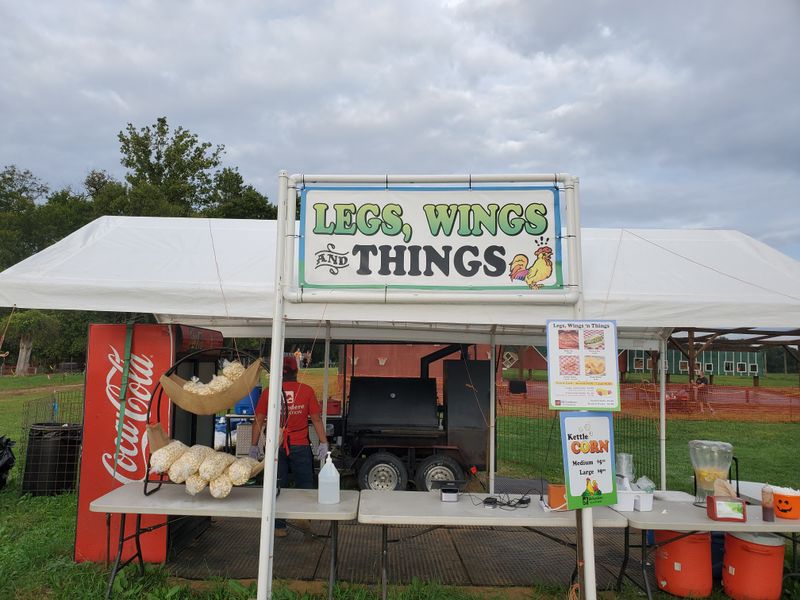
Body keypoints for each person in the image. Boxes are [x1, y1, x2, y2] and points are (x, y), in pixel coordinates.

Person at [250, 355, 329, 536]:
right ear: (296, 371)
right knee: (305, 483)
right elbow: (316, 419)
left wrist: (254, 445)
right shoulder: (307, 391)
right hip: (300, 444)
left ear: (279, 373)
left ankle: (279, 527)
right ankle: (305, 517)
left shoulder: (270, 392)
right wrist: (324, 442)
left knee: (277, 485)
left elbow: (259, 420)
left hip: (275, 445)